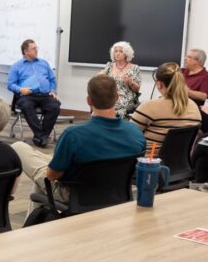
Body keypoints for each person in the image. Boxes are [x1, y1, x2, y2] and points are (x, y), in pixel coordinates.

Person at [12, 74, 145, 206]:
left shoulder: (73, 135)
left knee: (19, 148)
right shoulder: (135, 133)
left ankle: (34, 223)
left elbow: (53, 176)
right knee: (47, 171)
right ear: (117, 97)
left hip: (76, 196)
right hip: (117, 193)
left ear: (89, 101)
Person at [130, 62, 201, 152]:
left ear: (159, 84)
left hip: (149, 162)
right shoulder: (194, 107)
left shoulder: (149, 107)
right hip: (181, 163)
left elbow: (129, 136)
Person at [8, 39, 61, 147]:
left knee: (55, 106)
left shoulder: (44, 63)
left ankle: (40, 136)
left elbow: (52, 79)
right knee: (26, 106)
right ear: (26, 51)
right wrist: (20, 90)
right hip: (27, 95)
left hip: (45, 94)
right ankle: (42, 136)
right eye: (34, 48)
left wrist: (52, 91)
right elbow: (10, 84)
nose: (37, 50)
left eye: (37, 48)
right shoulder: (16, 66)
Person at [101, 41, 142, 117]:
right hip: (110, 95)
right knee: (98, 100)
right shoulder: (109, 66)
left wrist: (130, 82)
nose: (117, 53)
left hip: (125, 97)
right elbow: (101, 81)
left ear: (126, 53)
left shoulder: (134, 68)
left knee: (114, 104)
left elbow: (137, 89)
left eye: (121, 51)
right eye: (116, 51)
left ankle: (114, 122)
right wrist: (101, 76)